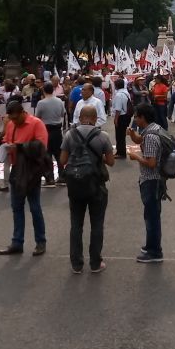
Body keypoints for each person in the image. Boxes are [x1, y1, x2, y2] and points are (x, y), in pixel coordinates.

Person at [59, 106, 115, 274]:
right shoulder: (103, 136)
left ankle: (76, 264)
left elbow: (62, 160)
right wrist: (99, 157)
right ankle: (95, 263)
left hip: (75, 185)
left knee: (76, 224)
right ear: (95, 117)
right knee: (97, 224)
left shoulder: (69, 135)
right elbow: (111, 162)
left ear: (81, 117)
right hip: (96, 185)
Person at [0, 98, 49, 256]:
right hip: (16, 169)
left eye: (15, 117)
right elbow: (7, 140)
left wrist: (19, 147)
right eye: (10, 118)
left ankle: (40, 242)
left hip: (32, 171)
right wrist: (4, 146)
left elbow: (41, 147)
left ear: (22, 113)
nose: (13, 121)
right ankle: (17, 242)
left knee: (34, 207)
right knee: (16, 207)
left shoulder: (36, 123)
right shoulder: (12, 124)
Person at [126, 103, 164, 263]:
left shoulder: (150, 137)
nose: (135, 119)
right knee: (152, 215)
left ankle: (154, 252)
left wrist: (135, 157)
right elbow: (139, 140)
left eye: (136, 116)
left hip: (151, 180)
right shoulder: (154, 129)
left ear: (143, 118)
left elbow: (151, 163)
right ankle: (151, 245)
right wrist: (133, 135)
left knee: (151, 217)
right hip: (153, 180)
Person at [35, 81, 66, 186]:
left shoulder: (41, 103)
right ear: (53, 90)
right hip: (57, 129)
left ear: (43, 90)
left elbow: (37, 117)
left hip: (45, 130)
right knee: (59, 154)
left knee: (47, 154)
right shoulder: (59, 101)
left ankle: (49, 178)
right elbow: (63, 113)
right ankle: (62, 176)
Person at [111, 77, 132, 158]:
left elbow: (118, 109)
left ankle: (121, 153)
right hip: (126, 116)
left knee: (119, 135)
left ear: (116, 86)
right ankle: (121, 151)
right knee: (122, 135)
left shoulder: (119, 95)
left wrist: (116, 119)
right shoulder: (126, 93)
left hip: (121, 117)